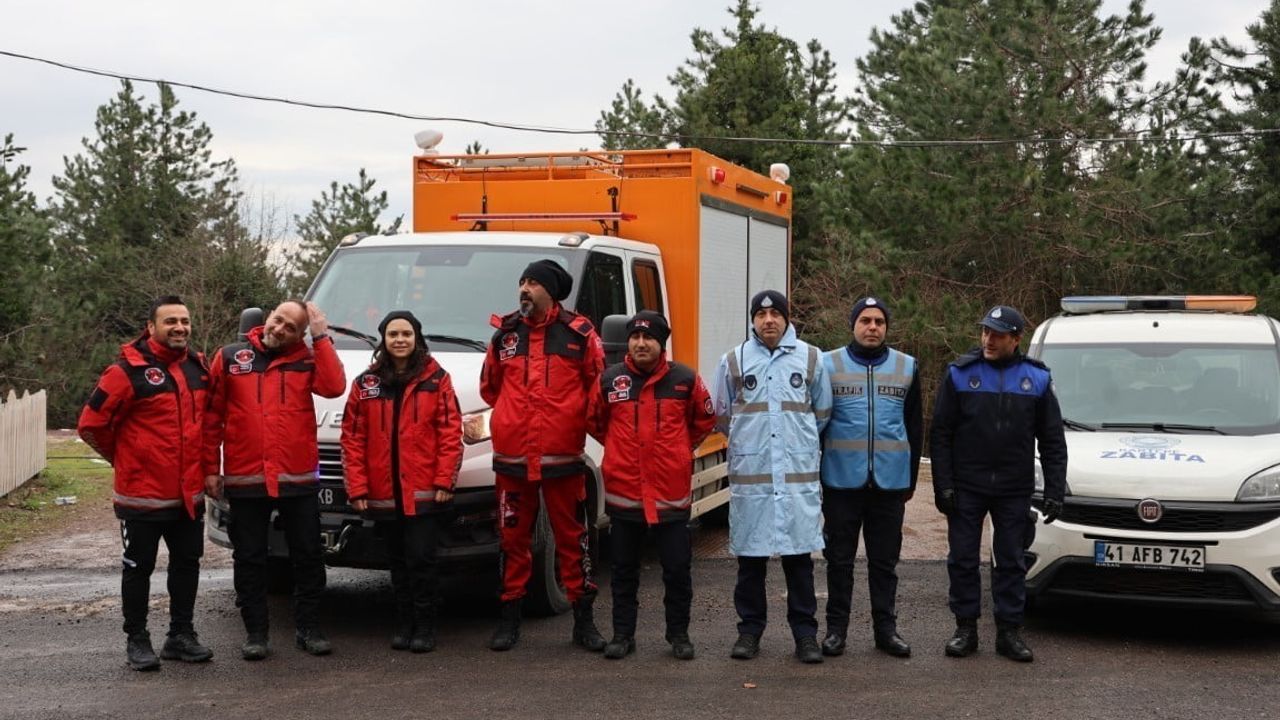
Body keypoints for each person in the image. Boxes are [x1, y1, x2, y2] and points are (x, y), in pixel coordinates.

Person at [202, 300, 346, 660]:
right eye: (278, 320)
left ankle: (309, 629)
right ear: (268, 318)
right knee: (249, 558)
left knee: (309, 555)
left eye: (291, 327)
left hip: (297, 478)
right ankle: (256, 633)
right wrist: (209, 469)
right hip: (246, 476)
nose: (280, 329)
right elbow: (211, 417)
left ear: (300, 334)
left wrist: (321, 335)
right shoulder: (231, 357)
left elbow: (333, 386)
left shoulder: (308, 359)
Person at [77, 295, 214, 671]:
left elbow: (207, 425)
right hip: (142, 498)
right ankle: (137, 639)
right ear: (151, 327)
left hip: (188, 497)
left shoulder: (198, 367)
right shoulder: (124, 372)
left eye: (184, 321)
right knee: (139, 569)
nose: (180, 328)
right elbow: (90, 424)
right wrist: (124, 460)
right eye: (170, 321)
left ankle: (180, 636)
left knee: (187, 565)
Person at [480, 259, 606, 652]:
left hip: (562, 458)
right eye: (522, 281)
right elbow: (489, 388)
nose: (524, 289)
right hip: (513, 460)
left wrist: (568, 423)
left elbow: (597, 389)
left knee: (573, 540)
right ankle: (509, 621)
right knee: (512, 539)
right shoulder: (505, 336)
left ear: (551, 291)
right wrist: (513, 420)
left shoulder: (579, 334)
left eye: (533, 282)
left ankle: (583, 622)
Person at [930, 305, 1067, 662]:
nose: (989, 339)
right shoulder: (961, 374)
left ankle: (1009, 632)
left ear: (1016, 339)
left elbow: (1052, 439)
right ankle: (966, 629)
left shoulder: (1035, 378)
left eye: (998, 334)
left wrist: (1054, 489)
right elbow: (940, 433)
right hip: (967, 485)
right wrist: (942, 484)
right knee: (962, 559)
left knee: (1010, 561)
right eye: (985, 332)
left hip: (1013, 487)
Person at [712, 289, 832, 664]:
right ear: (752, 320)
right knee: (751, 563)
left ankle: (805, 636)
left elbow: (822, 412)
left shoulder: (812, 358)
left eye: (775, 314)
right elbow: (722, 415)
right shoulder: (734, 360)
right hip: (754, 482)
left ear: (786, 317)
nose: (768, 321)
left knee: (799, 563)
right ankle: (749, 633)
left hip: (796, 481)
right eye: (761, 315)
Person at [589, 310, 717, 660]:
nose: (641, 343)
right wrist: (619, 447)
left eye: (649, 338)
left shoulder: (685, 380)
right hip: (625, 494)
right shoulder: (609, 380)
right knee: (622, 572)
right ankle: (622, 635)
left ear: (662, 344)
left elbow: (704, 420)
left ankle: (678, 635)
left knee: (677, 570)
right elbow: (595, 422)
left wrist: (678, 450)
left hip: (669, 495)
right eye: (635, 337)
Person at [340, 311, 463, 653]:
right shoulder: (366, 383)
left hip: (423, 492)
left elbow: (451, 434)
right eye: (392, 333)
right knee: (395, 562)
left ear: (417, 338)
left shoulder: (437, 379)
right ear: (383, 339)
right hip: (383, 493)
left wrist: (444, 481)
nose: (399, 340)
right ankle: (404, 622)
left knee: (421, 560)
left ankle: (425, 626)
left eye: (406, 333)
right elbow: (352, 438)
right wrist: (359, 488)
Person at [819, 297, 922, 659]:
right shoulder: (827, 364)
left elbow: (914, 427)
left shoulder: (907, 367)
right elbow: (817, 424)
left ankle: (886, 630)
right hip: (840, 483)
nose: (872, 327)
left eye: (879, 321)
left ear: (886, 327)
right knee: (839, 562)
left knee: (884, 564)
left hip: (889, 486)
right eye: (865, 320)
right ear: (853, 325)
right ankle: (836, 631)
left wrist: (909, 482)